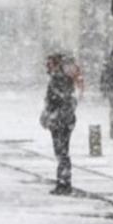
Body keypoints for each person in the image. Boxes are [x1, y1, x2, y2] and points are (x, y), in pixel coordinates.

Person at [40, 52, 79, 195]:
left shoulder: (58, 80)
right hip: (63, 120)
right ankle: (63, 181)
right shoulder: (62, 79)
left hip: (60, 121)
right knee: (62, 152)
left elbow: (58, 100)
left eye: (49, 64)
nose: (47, 67)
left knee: (61, 152)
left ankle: (64, 183)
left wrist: (52, 114)